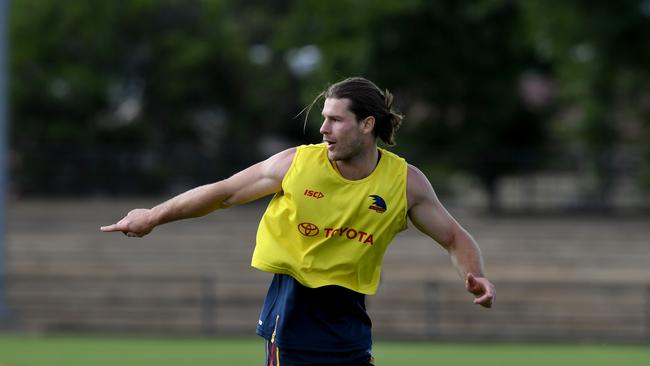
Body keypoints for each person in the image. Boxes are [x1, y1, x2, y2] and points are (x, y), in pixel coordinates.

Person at [101, 77, 495, 366]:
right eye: (324, 118)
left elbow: (455, 237)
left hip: (348, 317)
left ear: (367, 124)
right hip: (292, 308)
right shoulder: (296, 164)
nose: (323, 128)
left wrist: (474, 274)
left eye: (336, 120)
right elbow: (223, 193)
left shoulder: (404, 182)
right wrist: (152, 216)